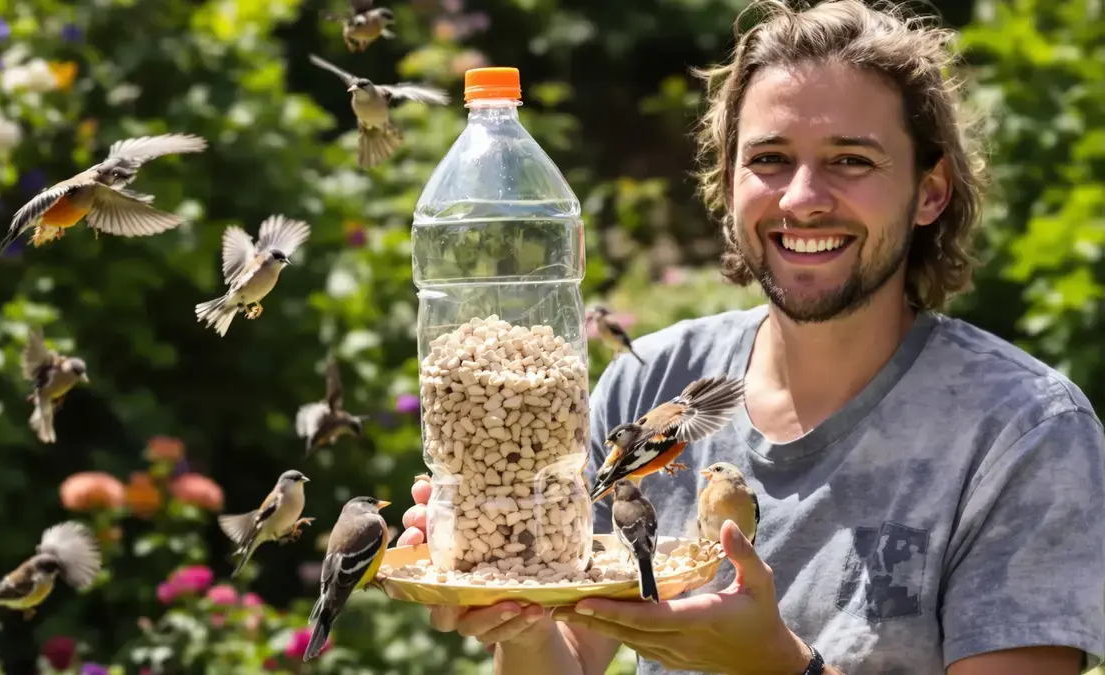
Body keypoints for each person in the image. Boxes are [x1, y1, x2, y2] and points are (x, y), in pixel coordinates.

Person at [397, 0, 1105, 673]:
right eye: (769, 159)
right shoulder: (656, 382)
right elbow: (562, 656)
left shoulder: (1025, 431)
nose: (801, 197)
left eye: (850, 160)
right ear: (728, 180)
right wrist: (512, 611)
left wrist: (776, 664)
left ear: (930, 191)